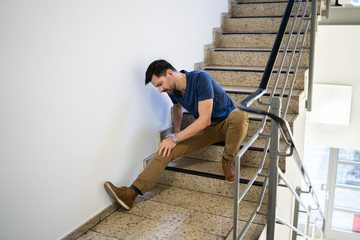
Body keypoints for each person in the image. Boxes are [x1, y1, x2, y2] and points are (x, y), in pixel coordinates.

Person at [104, 59, 248, 210]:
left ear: (169, 73)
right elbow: (177, 108)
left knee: (240, 114)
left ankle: (228, 158)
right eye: (157, 87)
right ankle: (131, 193)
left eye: (160, 84)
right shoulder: (173, 90)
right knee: (167, 147)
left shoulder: (200, 78)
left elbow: (204, 119)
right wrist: (176, 132)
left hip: (228, 125)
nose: (160, 90)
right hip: (207, 130)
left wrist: (175, 138)